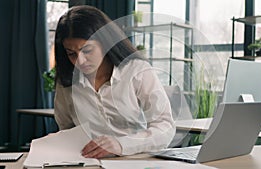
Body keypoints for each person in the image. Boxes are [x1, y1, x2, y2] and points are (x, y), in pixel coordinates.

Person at [53, 5, 175, 159]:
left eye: (87, 50)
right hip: (89, 163)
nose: (80, 61)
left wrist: (122, 144)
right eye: (71, 54)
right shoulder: (67, 83)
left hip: (135, 160)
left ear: (105, 43)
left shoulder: (137, 70)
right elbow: (66, 129)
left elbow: (165, 127)